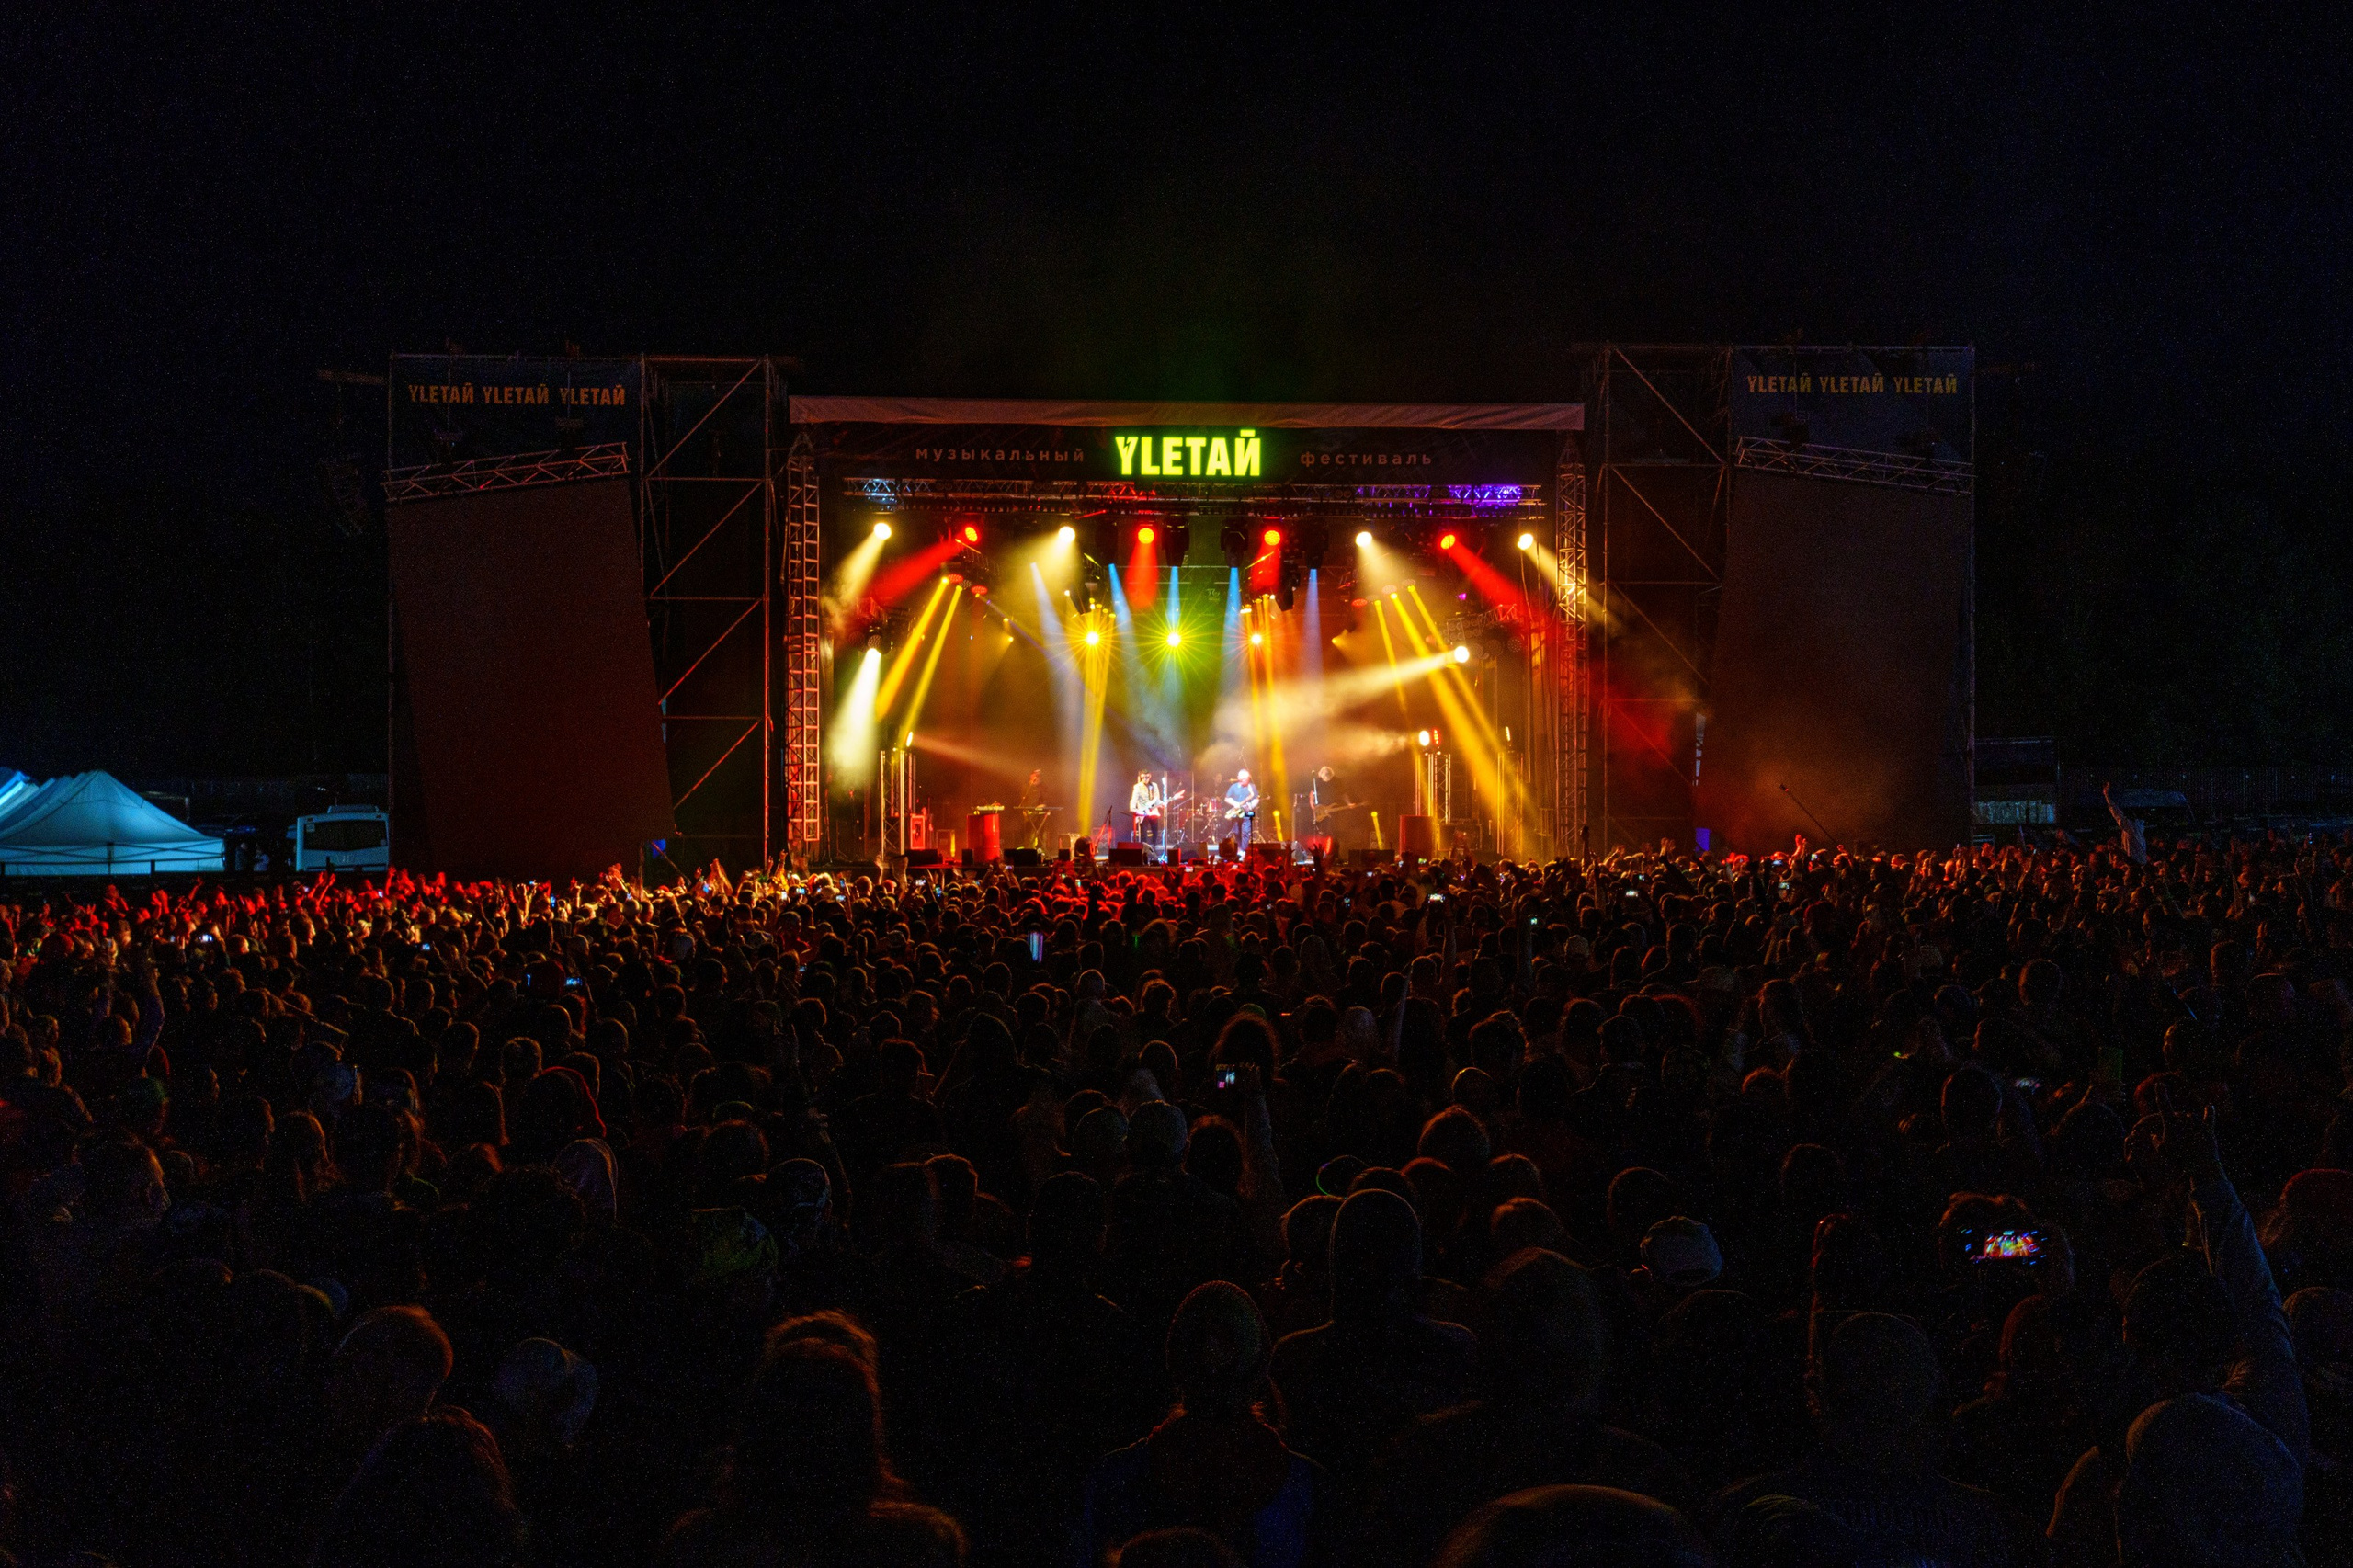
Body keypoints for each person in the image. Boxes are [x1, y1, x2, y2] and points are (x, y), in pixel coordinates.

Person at [1080, 1281, 1325, 1568]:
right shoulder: (1306, 1486)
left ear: (1177, 1361)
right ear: (1258, 1364)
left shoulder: (1113, 1479)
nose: (1213, 1348)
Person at [1224, 771, 1260, 846]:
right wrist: (1235, 803)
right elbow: (1227, 799)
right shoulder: (1233, 787)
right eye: (1244, 778)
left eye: (1247, 778)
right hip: (1236, 812)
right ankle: (1240, 848)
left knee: (1246, 832)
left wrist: (1250, 806)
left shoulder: (1252, 787)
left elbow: (1257, 799)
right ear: (1239, 778)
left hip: (1247, 812)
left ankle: (1244, 850)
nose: (1247, 780)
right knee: (1236, 831)